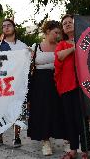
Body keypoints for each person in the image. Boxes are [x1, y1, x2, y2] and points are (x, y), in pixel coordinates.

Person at [0, 18, 28, 148]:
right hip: (1, 83)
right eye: (4, 26)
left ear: (14, 27)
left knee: (16, 108)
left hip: (17, 82)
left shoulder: (22, 46)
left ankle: (17, 137)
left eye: (9, 25)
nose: (6, 27)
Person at [54, 14, 90, 159]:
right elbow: (60, 56)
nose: (68, 24)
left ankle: (85, 150)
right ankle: (73, 150)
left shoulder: (85, 40)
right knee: (69, 119)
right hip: (67, 86)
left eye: (70, 22)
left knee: (82, 119)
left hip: (83, 87)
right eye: (65, 23)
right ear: (62, 28)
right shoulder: (62, 44)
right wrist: (74, 47)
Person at [27, 20, 65, 156]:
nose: (58, 35)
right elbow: (28, 67)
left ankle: (67, 140)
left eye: (59, 33)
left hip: (58, 81)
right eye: (56, 32)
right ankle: (46, 142)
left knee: (59, 110)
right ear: (47, 31)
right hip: (40, 83)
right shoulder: (35, 47)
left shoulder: (61, 45)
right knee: (43, 111)